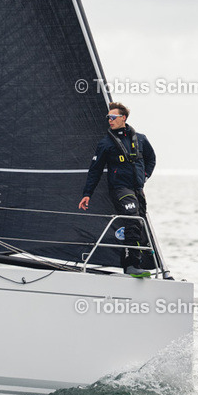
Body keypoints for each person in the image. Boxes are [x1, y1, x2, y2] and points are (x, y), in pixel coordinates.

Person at [79, 102, 158, 278]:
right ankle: (131, 266)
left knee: (140, 223)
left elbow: (151, 159)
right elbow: (95, 170)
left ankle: (138, 265)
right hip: (120, 189)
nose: (110, 120)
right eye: (108, 118)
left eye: (113, 117)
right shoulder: (106, 144)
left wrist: (144, 176)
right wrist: (87, 194)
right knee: (132, 220)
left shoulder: (141, 139)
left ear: (123, 118)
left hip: (137, 189)